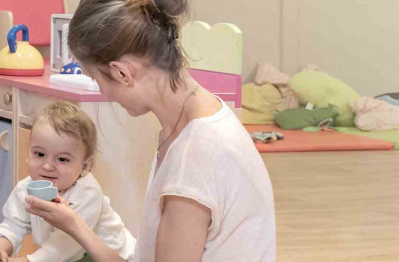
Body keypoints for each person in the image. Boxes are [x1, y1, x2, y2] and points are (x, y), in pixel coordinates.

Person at [24, 0, 276, 261]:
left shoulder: (195, 156)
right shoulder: (192, 120)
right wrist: (74, 224)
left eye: (96, 79)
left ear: (122, 73)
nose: (102, 91)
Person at [0, 102, 136, 262]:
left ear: (85, 166)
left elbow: (63, 248)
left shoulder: (87, 192)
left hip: (113, 257)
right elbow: (12, 225)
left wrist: (22, 260)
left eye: (62, 159)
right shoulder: (26, 188)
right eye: (39, 154)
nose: (47, 166)